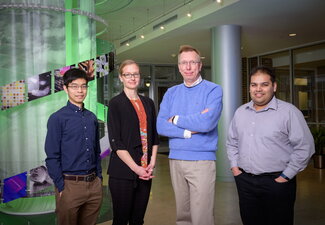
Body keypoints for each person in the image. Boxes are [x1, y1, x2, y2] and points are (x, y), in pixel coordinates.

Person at [226, 66, 315, 225]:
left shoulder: (289, 112)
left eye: (264, 84)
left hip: (277, 182)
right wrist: (235, 168)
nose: (258, 89)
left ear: (274, 86)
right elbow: (232, 142)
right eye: (254, 85)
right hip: (245, 181)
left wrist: (285, 176)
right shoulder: (240, 112)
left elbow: (305, 147)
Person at [157, 45, 223, 225]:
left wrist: (176, 119)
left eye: (193, 62)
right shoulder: (171, 93)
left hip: (202, 162)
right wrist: (187, 131)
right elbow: (161, 126)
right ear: (178, 67)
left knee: (202, 216)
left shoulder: (213, 90)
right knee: (182, 216)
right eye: (184, 63)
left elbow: (207, 122)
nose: (188, 67)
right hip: (176, 159)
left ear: (200, 65)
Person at [45, 68, 102, 225]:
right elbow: (52, 156)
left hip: (93, 185)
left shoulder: (91, 117)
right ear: (65, 88)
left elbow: (96, 150)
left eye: (83, 86)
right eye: (74, 86)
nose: (80, 90)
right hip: (70, 185)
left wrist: (99, 177)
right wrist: (61, 186)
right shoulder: (57, 118)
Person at [107, 59, 159, 225]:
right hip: (123, 172)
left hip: (145, 171)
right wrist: (136, 168)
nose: (132, 78)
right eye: (127, 74)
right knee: (121, 220)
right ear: (121, 78)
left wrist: (151, 163)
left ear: (139, 76)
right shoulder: (115, 103)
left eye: (135, 74)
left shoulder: (148, 103)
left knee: (138, 220)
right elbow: (116, 142)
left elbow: (154, 137)